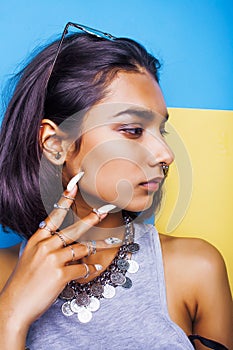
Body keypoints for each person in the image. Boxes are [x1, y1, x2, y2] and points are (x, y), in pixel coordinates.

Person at [0, 22, 232, 350]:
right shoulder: (3, 278)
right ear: (55, 145)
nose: (166, 154)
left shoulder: (195, 268)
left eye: (161, 131)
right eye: (132, 129)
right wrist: (9, 317)